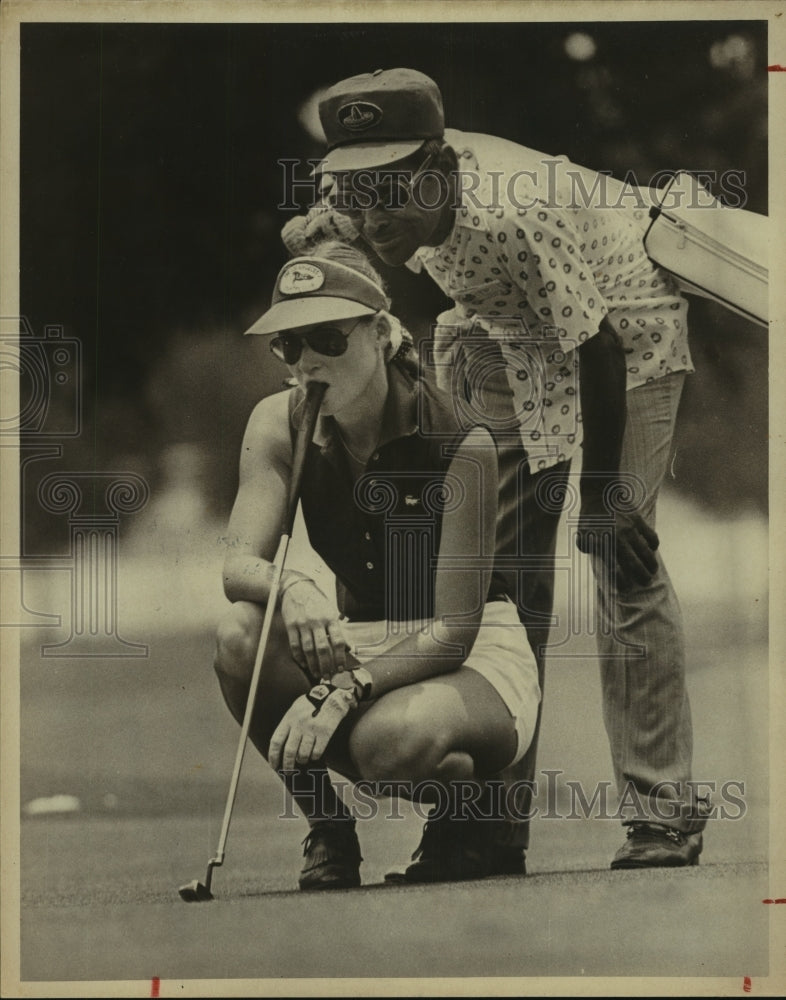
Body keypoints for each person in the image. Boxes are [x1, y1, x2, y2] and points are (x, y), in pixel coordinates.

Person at [286, 67, 710, 871]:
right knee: (500, 574)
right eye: (357, 195)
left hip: (625, 334)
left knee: (620, 557)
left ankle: (663, 812)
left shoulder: (516, 211)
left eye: (394, 193)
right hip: (509, 337)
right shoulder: (361, 199)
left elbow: (597, 346)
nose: (374, 220)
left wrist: (602, 496)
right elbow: (329, 236)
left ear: (442, 171)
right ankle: (485, 826)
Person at [213, 240, 542, 888]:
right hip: (361, 640)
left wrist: (342, 691)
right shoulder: (279, 423)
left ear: (379, 330)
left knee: (391, 744)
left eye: (326, 338)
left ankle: (470, 805)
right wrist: (296, 588)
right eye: (287, 346)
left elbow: (452, 631)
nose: (306, 361)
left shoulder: (460, 437)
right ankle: (329, 833)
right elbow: (236, 567)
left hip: (470, 655)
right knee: (239, 638)